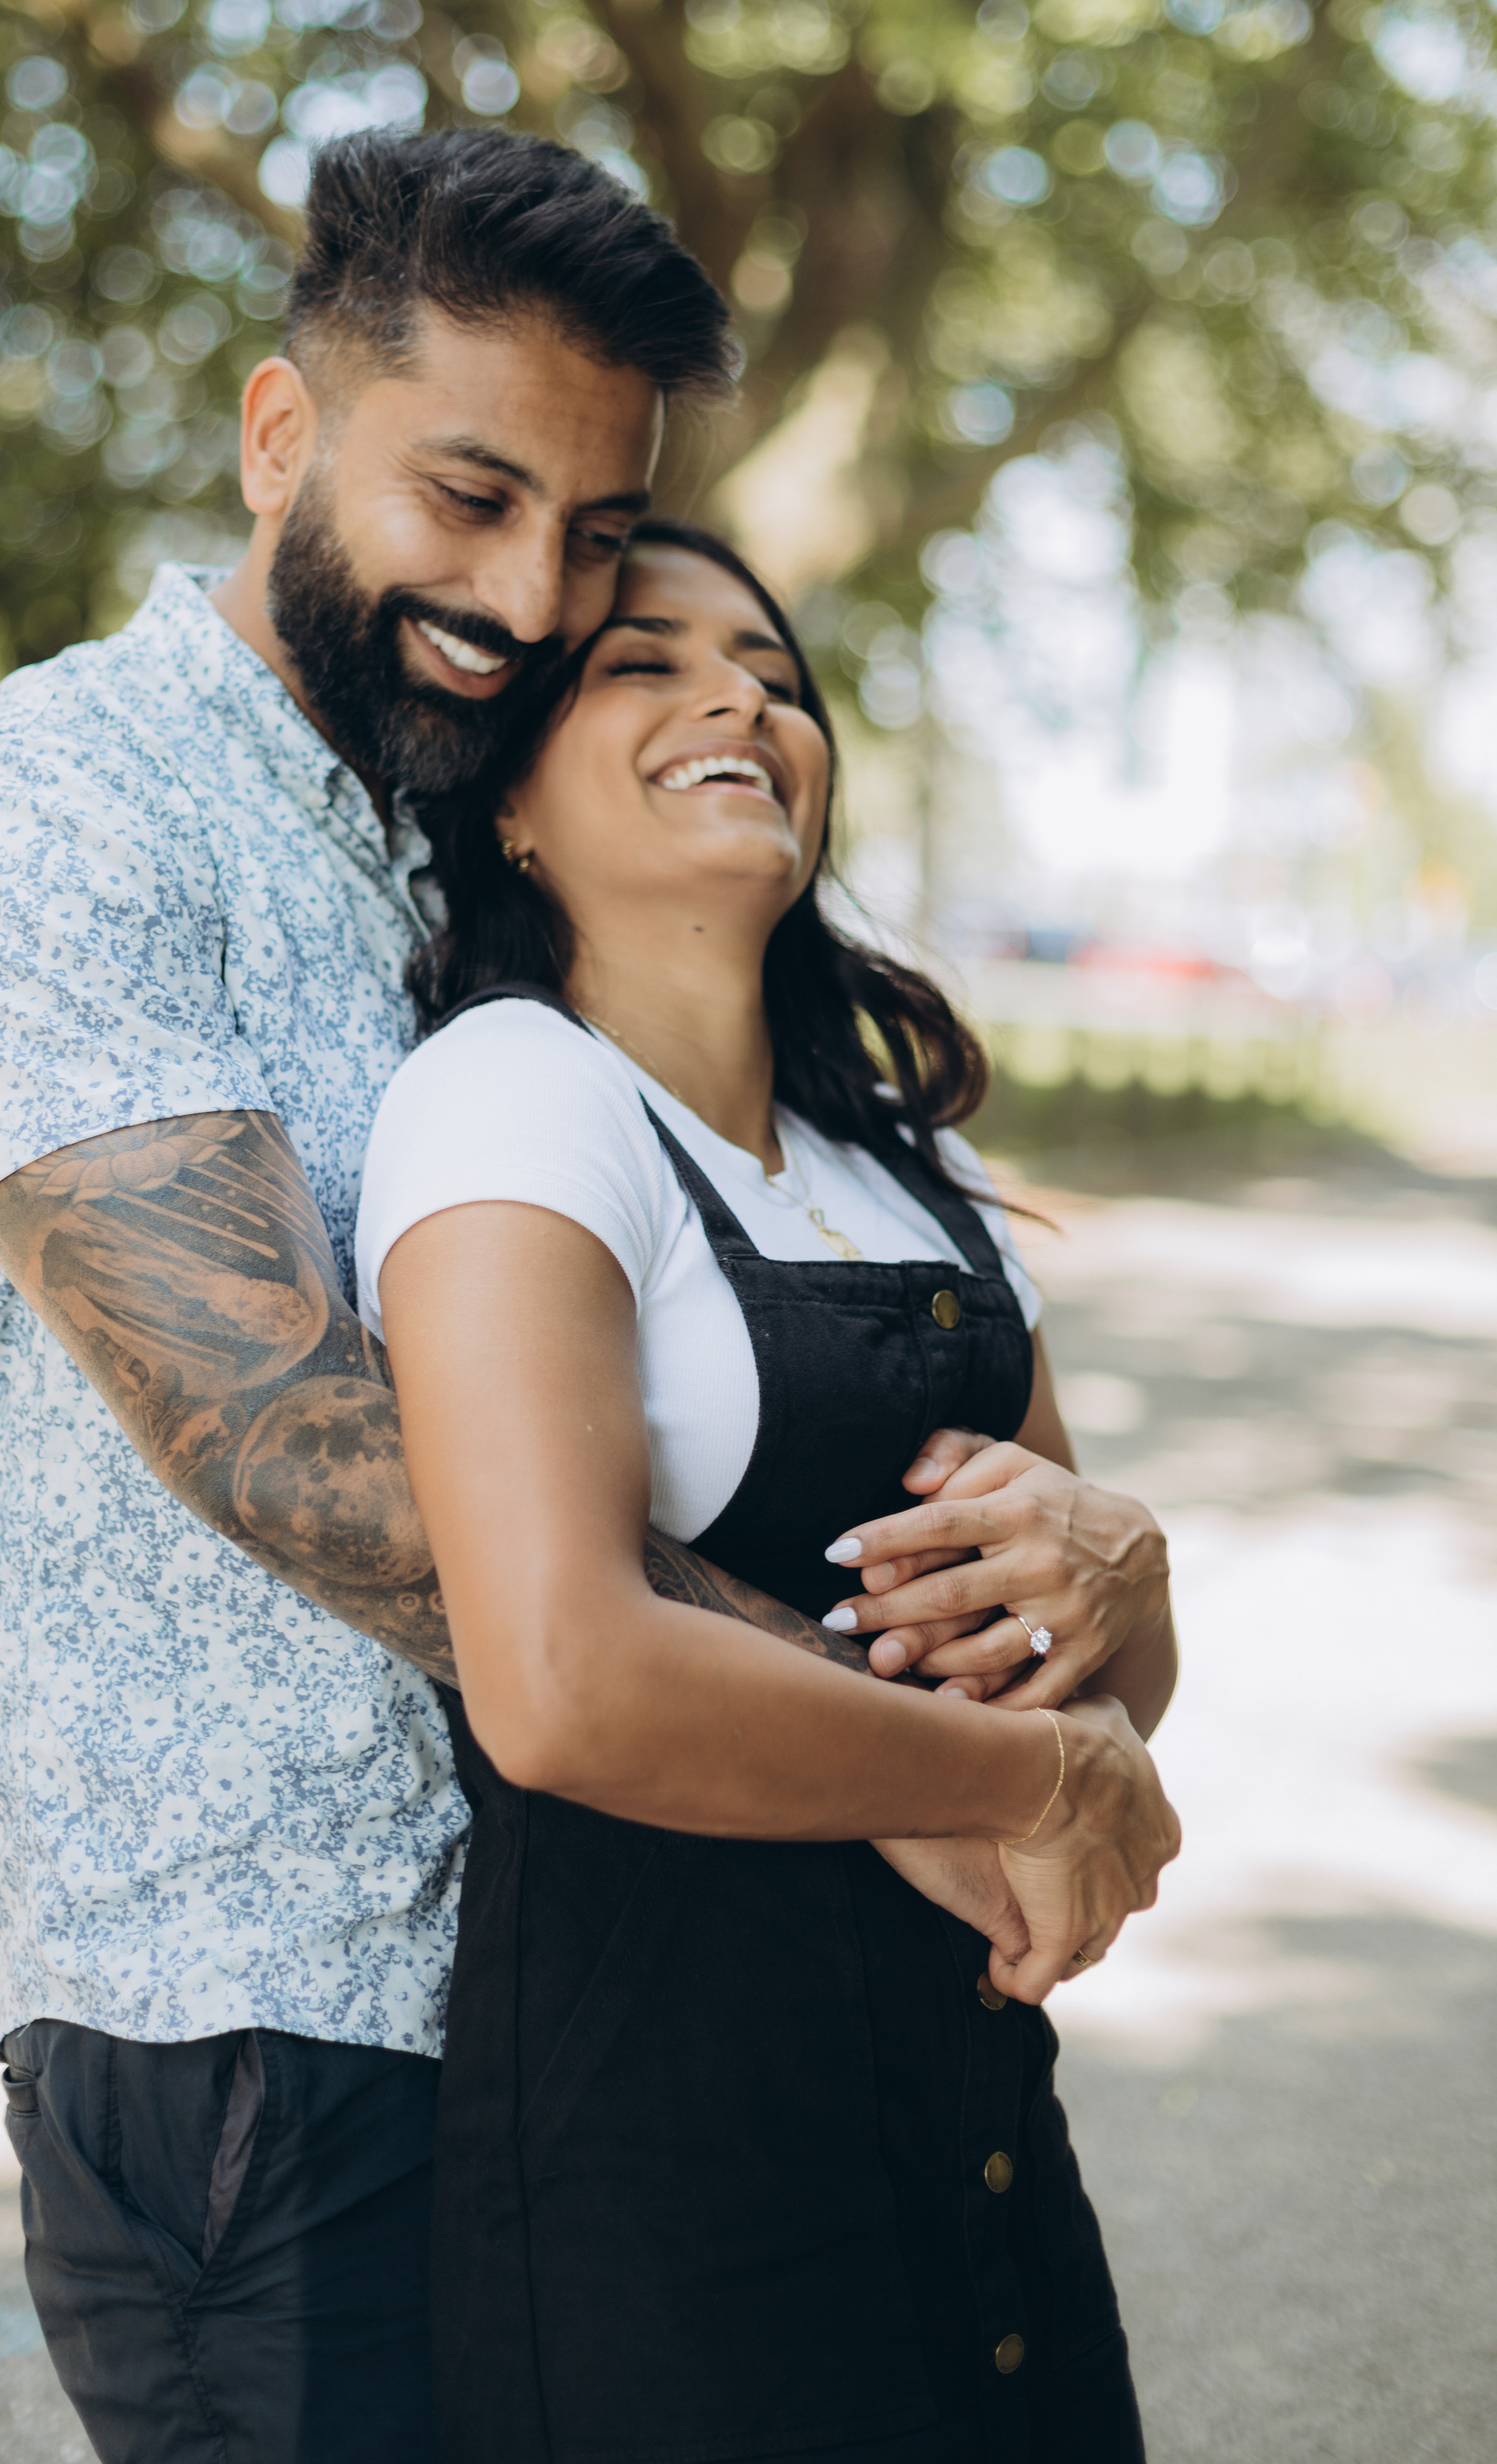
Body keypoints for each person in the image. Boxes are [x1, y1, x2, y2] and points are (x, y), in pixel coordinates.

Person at [0, 124, 1173, 2464]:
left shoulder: (447, 810)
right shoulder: (56, 820)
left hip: (591, 2006)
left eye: (589, 525)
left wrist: (1092, 1555)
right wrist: (941, 1773)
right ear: (284, 435)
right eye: (465, 497)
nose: (531, 590)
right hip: (268, 2016)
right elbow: (311, 1454)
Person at [354, 520, 1180, 2464]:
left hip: (981, 2148)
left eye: (775, 673)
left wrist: (1126, 1567)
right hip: (668, 2198)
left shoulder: (905, 1177)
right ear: (518, 805)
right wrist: (1041, 1777)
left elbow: (1116, 1689)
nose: (742, 697)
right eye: (645, 661)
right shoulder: (517, 1099)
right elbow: (560, 1678)